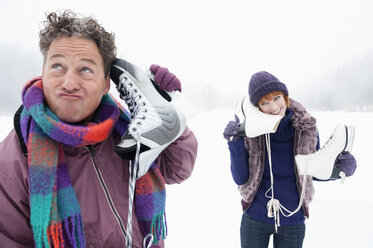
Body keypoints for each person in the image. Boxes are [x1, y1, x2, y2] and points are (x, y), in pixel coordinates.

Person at [0, 10, 198, 248]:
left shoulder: (127, 131)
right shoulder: (11, 161)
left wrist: (167, 109)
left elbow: (177, 168)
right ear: (43, 72)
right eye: (57, 66)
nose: (69, 83)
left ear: (106, 84)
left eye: (85, 69)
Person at [223, 71, 357, 248]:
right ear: (257, 107)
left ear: (285, 96)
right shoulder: (251, 132)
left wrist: (338, 169)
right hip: (255, 217)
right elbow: (240, 178)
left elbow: (314, 169)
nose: (273, 107)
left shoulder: (306, 128)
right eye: (264, 102)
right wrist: (235, 143)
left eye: (276, 97)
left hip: (293, 220)